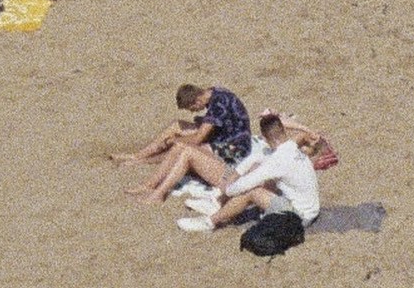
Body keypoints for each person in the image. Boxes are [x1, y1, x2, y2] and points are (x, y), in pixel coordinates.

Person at [114, 81, 253, 201]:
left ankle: (156, 190)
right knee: (177, 126)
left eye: (192, 108)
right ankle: (139, 157)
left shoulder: (219, 104)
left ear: (197, 101)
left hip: (234, 148)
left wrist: (174, 140)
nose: (193, 112)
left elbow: (198, 138)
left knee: (183, 147)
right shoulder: (214, 92)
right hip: (223, 135)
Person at [198, 113, 326, 235]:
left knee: (252, 192)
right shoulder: (292, 147)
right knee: (261, 172)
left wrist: (226, 189)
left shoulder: (275, 162)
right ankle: (219, 205)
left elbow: (237, 188)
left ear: (264, 137)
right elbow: (258, 158)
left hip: (299, 217)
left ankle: (210, 221)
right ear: (283, 130)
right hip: (311, 208)